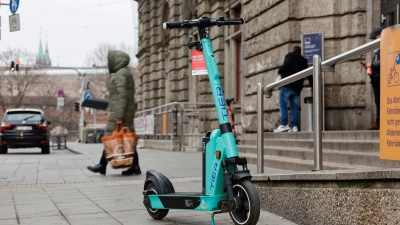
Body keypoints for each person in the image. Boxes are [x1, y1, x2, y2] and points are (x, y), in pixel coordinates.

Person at [87, 50, 141, 176]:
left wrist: (118, 116)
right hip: (125, 112)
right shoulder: (124, 73)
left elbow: (121, 97)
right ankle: (134, 166)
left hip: (120, 112)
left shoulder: (121, 74)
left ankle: (102, 165)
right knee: (126, 138)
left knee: (111, 137)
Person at [274, 46, 310, 132]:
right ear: (300, 52)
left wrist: (279, 70)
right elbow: (308, 73)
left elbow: (286, 65)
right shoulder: (304, 61)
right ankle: (294, 126)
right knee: (294, 106)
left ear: (293, 50)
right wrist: (313, 84)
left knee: (282, 104)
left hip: (287, 84)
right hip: (297, 88)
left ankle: (284, 124)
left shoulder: (290, 55)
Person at [363, 27, 382, 130]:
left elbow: (385, 62)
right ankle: (378, 122)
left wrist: (372, 64)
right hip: (375, 78)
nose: (374, 41)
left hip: (382, 79)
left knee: (383, 102)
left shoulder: (385, 47)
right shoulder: (376, 51)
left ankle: (381, 122)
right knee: (378, 101)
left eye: (375, 38)